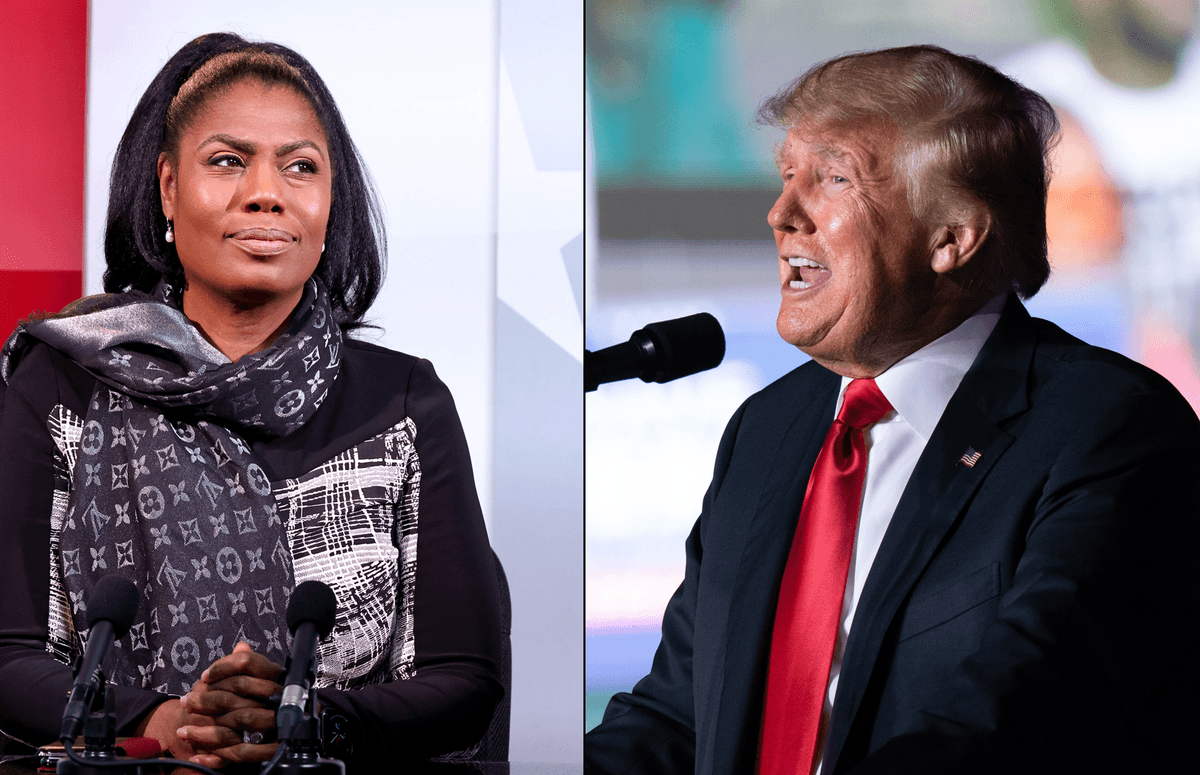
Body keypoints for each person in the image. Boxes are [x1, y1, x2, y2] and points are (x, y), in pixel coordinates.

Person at [584, 45, 1200, 775]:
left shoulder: (1109, 428)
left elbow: (1006, 725)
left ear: (952, 236)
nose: (782, 214)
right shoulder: (767, 428)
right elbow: (675, 715)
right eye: (787, 177)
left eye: (832, 178)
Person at [0, 32, 503, 771]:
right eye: (228, 160)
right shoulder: (61, 385)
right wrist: (164, 721)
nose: (267, 190)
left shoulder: (404, 403)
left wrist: (305, 721)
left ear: (330, 205)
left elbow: (463, 679)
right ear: (169, 187)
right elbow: (9, 654)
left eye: (300, 166)